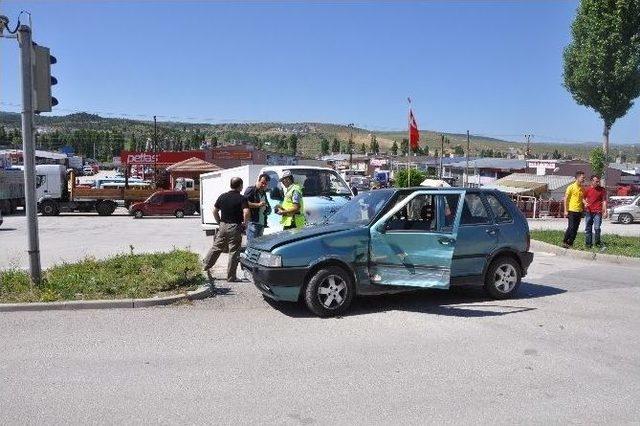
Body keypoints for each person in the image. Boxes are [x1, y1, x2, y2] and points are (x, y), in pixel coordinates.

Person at [203, 177, 249, 282]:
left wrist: (219, 223)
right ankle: (231, 277)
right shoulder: (242, 198)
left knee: (216, 248)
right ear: (240, 186)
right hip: (235, 226)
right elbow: (246, 212)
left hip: (223, 226)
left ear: (231, 185)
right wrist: (244, 224)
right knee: (233, 251)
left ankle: (204, 267)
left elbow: (215, 211)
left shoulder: (222, 196)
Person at [244, 173, 272, 245]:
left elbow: (266, 204)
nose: (263, 185)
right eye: (262, 183)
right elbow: (244, 203)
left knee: (259, 246)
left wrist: (268, 209)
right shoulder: (251, 190)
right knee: (252, 245)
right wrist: (258, 205)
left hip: (261, 223)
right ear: (258, 181)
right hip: (252, 223)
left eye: (265, 184)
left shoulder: (263, 192)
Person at [583, 174, 608, 249]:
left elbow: (604, 201)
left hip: (598, 212)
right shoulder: (587, 189)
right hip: (589, 211)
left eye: (598, 181)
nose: (598, 182)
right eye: (596, 181)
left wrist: (605, 211)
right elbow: (583, 198)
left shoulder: (602, 190)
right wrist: (585, 203)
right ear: (592, 181)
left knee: (597, 228)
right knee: (588, 228)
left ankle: (597, 243)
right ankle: (588, 245)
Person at [562, 171, 586, 248]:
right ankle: (565, 241)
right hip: (571, 210)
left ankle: (570, 243)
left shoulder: (582, 188)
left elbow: (582, 198)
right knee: (571, 227)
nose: (583, 179)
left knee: (575, 228)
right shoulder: (571, 187)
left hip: (579, 211)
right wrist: (566, 210)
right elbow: (566, 199)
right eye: (582, 178)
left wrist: (585, 203)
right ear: (577, 178)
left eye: (584, 178)